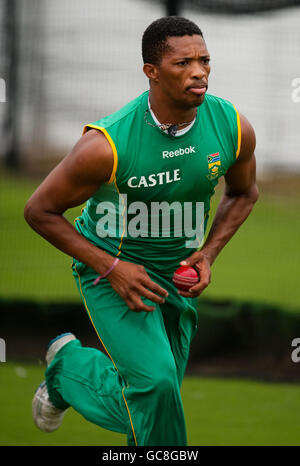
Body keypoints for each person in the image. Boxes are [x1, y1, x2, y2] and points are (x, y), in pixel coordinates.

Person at [24, 16, 259, 446]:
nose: (199, 71)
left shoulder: (233, 127)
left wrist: (208, 252)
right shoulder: (106, 145)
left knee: (157, 400)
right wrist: (111, 267)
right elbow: (39, 211)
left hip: (176, 281)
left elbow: (244, 194)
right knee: (157, 389)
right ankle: (71, 370)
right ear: (151, 70)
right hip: (112, 274)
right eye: (183, 62)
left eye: (204, 60)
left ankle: (69, 369)